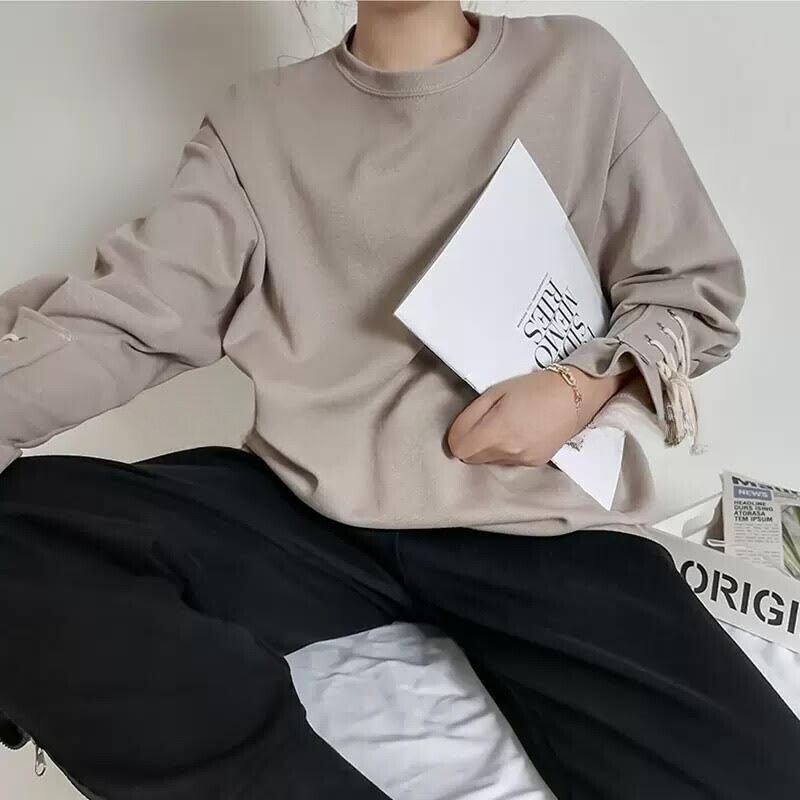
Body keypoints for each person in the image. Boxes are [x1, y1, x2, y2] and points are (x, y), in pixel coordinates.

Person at [0, 2, 798, 799]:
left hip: (540, 526)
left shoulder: (578, 67)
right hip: (310, 510)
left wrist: (575, 389)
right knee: (21, 538)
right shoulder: (257, 122)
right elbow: (132, 320)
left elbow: (691, 291)